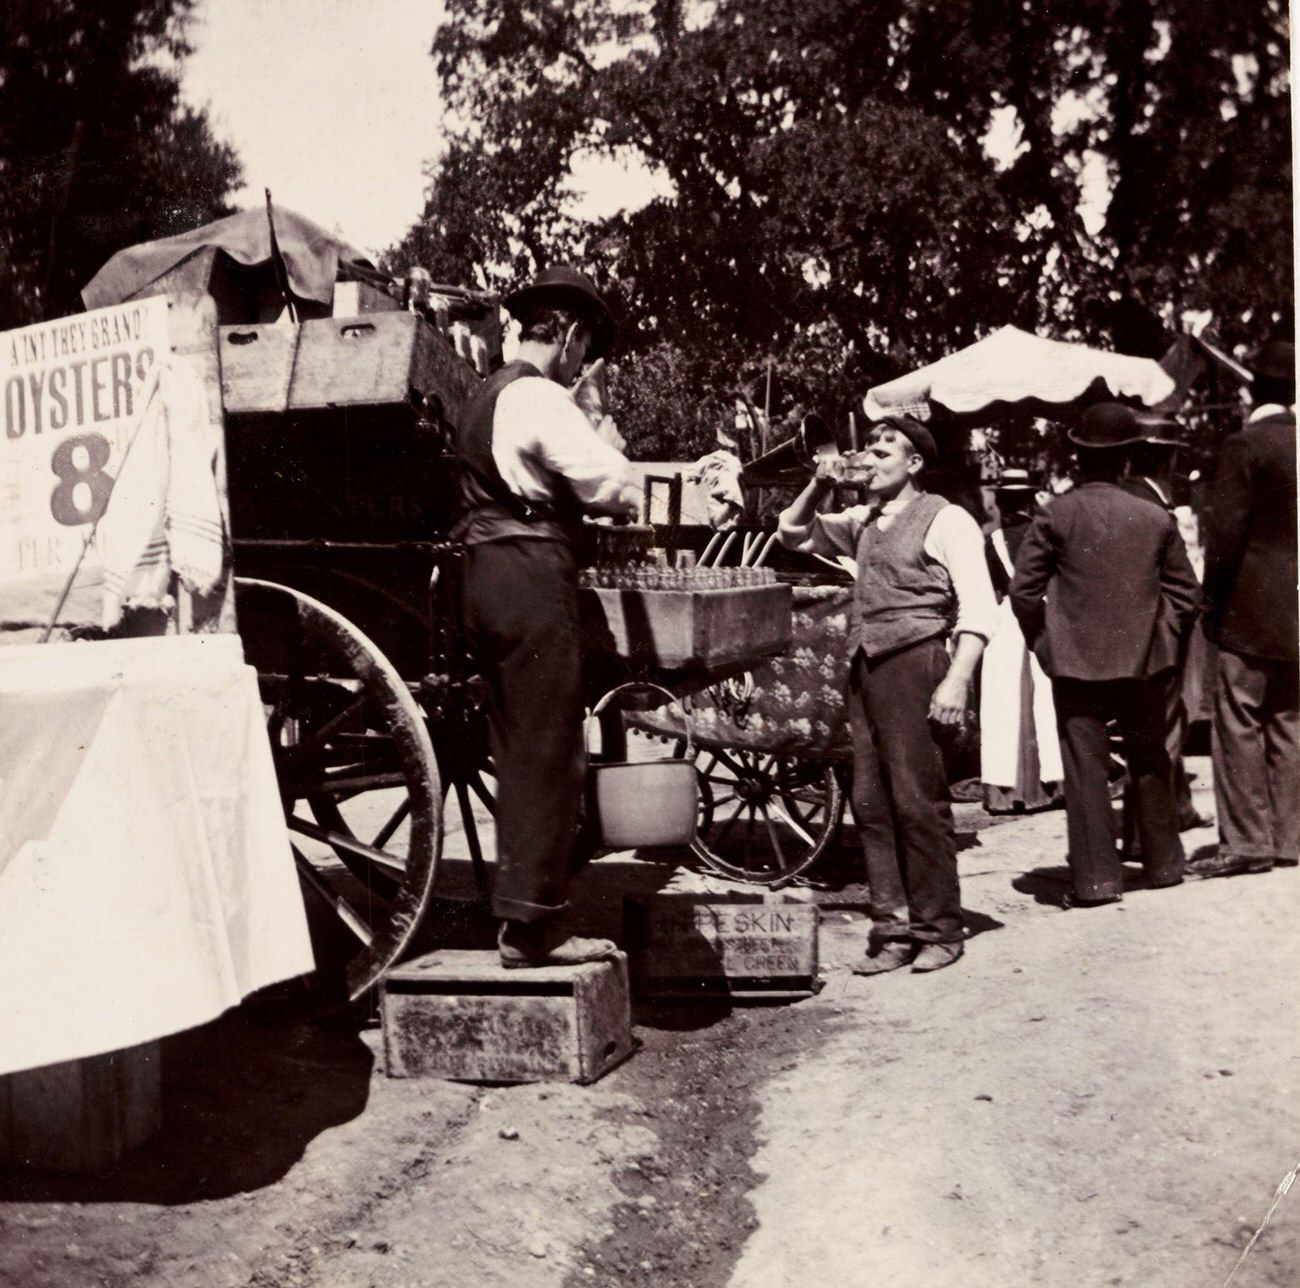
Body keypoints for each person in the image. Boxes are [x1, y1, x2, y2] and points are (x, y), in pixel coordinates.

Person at [452, 265, 641, 966]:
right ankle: (531, 929)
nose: (580, 366)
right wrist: (611, 449)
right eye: (582, 351)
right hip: (530, 572)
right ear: (566, 334)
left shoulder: (482, 395)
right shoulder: (538, 397)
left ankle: (527, 905)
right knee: (546, 748)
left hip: (484, 575)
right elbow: (612, 483)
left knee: (519, 741)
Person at [777, 416, 998, 974]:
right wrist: (819, 481)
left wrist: (958, 678)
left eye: (882, 452)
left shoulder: (947, 519)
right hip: (865, 664)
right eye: (867, 451)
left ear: (914, 464)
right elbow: (791, 532)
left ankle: (940, 929)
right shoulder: (864, 520)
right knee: (871, 802)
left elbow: (979, 608)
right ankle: (892, 927)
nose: (868, 460)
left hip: (917, 662)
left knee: (916, 800)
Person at [1009, 403, 1201, 907]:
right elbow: (1186, 595)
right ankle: (1163, 865)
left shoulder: (1055, 513)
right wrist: (1161, 640)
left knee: (1085, 768)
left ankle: (1097, 880)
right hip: (1145, 662)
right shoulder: (1154, 516)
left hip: (1074, 664)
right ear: (1128, 460)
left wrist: (1047, 644)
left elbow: (1024, 592)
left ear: (1078, 457)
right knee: (1150, 758)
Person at [1194, 340, 1298, 877]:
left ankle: (1248, 843)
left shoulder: (1244, 445)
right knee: (1289, 722)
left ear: (1251, 388)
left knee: (1238, 722)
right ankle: (1290, 838)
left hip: (1250, 611)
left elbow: (1226, 535)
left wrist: (1210, 605)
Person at [1117, 418, 1211, 840]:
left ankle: (1179, 807)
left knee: (1155, 727)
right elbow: (1183, 586)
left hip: (1130, 636)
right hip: (1162, 637)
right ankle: (1147, 833)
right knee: (1164, 729)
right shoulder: (1154, 508)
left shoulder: (1124, 497)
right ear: (1170, 457)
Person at [979, 469, 1064, 814]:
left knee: (1004, 702)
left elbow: (993, 589)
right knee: (1046, 699)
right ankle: (1054, 782)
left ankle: (1007, 790)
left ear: (1000, 502)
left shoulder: (993, 541)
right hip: (1044, 615)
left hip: (1006, 620)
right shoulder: (1047, 536)